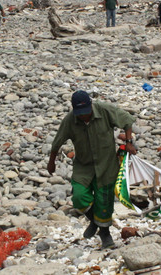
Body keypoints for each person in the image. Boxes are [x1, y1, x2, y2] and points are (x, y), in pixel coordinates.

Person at [47, 90, 137, 248]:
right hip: (84, 167)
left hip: (106, 165)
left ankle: (105, 234)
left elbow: (127, 120)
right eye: (80, 113)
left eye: (86, 112)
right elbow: (57, 142)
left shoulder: (105, 110)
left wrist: (128, 142)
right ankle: (95, 221)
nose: (84, 116)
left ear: (91, 105)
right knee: (79, 197)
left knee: (105, 201)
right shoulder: (70, 120)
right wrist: (51, 162)